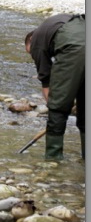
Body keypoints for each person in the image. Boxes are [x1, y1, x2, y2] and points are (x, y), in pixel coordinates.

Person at [25, 13, 85, 160]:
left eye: (30, 51)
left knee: (57, 107)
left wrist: (56, 104)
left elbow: (47, 83)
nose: (33, 55)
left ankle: (53, 160)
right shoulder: (57, 24)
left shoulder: (37, 40)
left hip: (74, 47)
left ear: (30, 41)